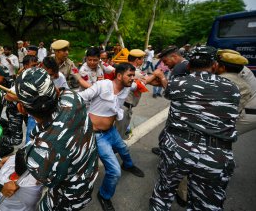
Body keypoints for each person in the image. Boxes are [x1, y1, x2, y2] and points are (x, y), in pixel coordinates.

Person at [149, 46, 240, 211]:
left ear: (189, 65)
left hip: (178, 149)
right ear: (214, 65)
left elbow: (169, 91)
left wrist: (161, 78)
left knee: (164, 192)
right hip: (215, 153)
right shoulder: (232, 88)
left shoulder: (178, 83)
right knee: (206, 203)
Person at [15, 68, 98, 211]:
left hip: (69, 196)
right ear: (58, 92)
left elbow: (42, 175)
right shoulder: (72, 98)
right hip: (88, 172)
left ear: (22, 109)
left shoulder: (40, 155)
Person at [78, 63, 144, 211]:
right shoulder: (102, 85)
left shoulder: (128, 86)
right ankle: (104, 195)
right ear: (119, 76)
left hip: (111, 131)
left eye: (133, 75)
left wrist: (157, 77)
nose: (132, 78)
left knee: (124, 149)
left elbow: (142, 83)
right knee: (114, 171)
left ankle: (128, 165)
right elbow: (80, 97)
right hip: (97, 136)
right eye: (130, 75)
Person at [215, 49, 256, 135]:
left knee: (217, 135)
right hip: (248, 109)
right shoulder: (237, 67)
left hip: (248, 112)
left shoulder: (231, 76)